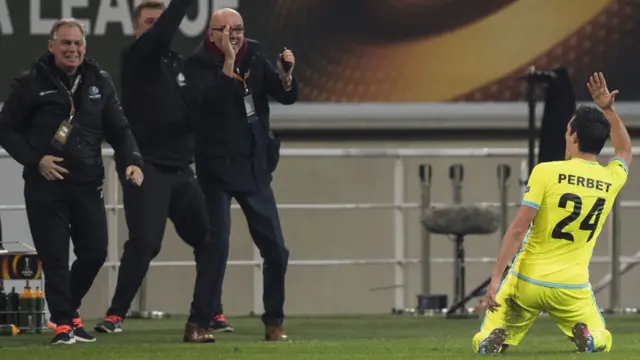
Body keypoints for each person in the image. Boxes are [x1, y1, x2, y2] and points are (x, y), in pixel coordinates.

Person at [0, 18, 144, 345]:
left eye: (78, 43)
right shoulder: (30, 83)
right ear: (51, 46)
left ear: (85, 47)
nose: (72, 49)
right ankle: (65, 324)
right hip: (45, 185)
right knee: (54, 257)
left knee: (95, 252)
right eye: (65, 43)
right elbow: (5, 129)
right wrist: (35, 159)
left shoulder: (99, 81)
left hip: (87, 181)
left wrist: (133, 161)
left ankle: (66, 310)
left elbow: (119, 130)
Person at [473, 72, 632, 354]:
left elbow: (519, 229)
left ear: (573, 136)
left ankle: (494, 338)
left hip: (527, 282)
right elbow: (625, 149)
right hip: (571, 286)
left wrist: (496, 277)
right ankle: (590, 338)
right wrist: (608, 110)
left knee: (482, 338)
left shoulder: (546, 171)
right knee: (602, 336)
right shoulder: (611, 179)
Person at [92, 0, 221, 342]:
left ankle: (204, 316)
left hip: (181, 168)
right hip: (145, 165)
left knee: (210, 241)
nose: (154, 26)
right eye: (148, 21)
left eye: (157, 21)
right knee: (146, 242)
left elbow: (196, 108)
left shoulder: (178, 65)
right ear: (137, 28)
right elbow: (162, 34)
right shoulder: (136, 57)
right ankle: (116, 313)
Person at [185, 8, 297, 341]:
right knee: (216, 245)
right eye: (227, 29)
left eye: (239, 28)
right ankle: (198, 324)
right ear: (212, 34)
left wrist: (286, 74)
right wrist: (229, 63)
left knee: (276, 249)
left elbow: (285, 96)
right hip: (217, 168)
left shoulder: (256, 53)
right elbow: (212, 104)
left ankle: (274, 322)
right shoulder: (196, 64)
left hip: (253, 166)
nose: (235, 35)